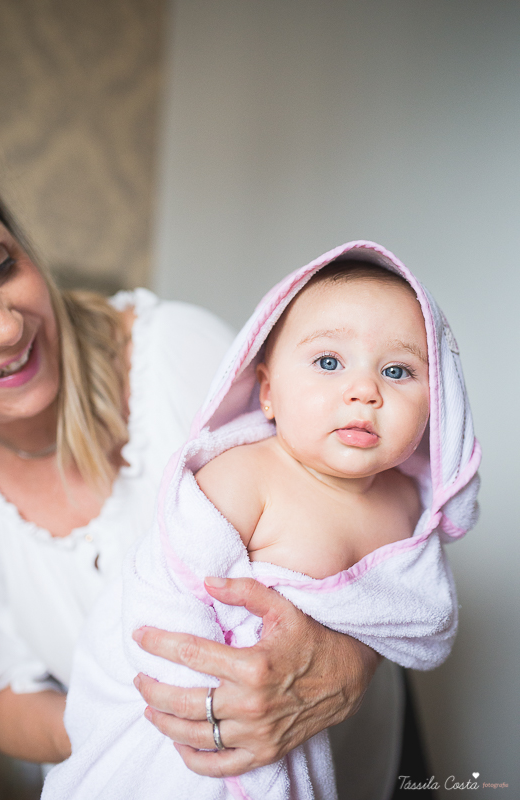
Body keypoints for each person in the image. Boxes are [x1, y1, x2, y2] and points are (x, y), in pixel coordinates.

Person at [0, 184, 392, 797]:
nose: (5, 325)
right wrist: (142, 741)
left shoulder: (178, 353)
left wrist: (345, 665)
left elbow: (377, 522)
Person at [42, 244, 480, 799]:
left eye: (398, 371)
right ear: (268, 392)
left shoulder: (407, 506)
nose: (365, 391)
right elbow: (162, 592)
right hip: (196, 722)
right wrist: (206, 708)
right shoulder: (246, 478)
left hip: (329, 735)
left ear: (437, 403)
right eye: (329, 362)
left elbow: (423, 624)